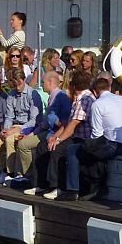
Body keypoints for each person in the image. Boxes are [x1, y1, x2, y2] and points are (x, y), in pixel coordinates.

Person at [64, 76, 122, 201]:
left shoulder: (98, 104)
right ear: (109, 87)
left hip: (114, 145)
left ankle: (73, 190)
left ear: (95, 92)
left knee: (73, 150)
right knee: (94, 150)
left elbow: (96, 134)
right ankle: (95, 187)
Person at [41, 70, 95, 199]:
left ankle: (58, 187)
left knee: (57, 149)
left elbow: (74, 125)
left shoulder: (85, 99)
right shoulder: (78, 99)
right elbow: (67, 124)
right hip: (75, 136)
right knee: (44, 146)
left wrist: (58, 140)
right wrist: (55, 136)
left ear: (74, 86)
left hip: (83, 139)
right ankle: (42, 183)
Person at [0, 67, 42, 185]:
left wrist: (18, 129)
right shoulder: (11, 94)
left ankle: (13, 174)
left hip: (28, 127)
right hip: (14, 125)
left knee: (10, 140)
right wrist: (6, 129)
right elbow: (9, 116)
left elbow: (33, 120)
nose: (18, 87)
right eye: (15, 85)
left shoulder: (32, 94)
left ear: (24, 80)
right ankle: (4, 170)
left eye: (19, 84)